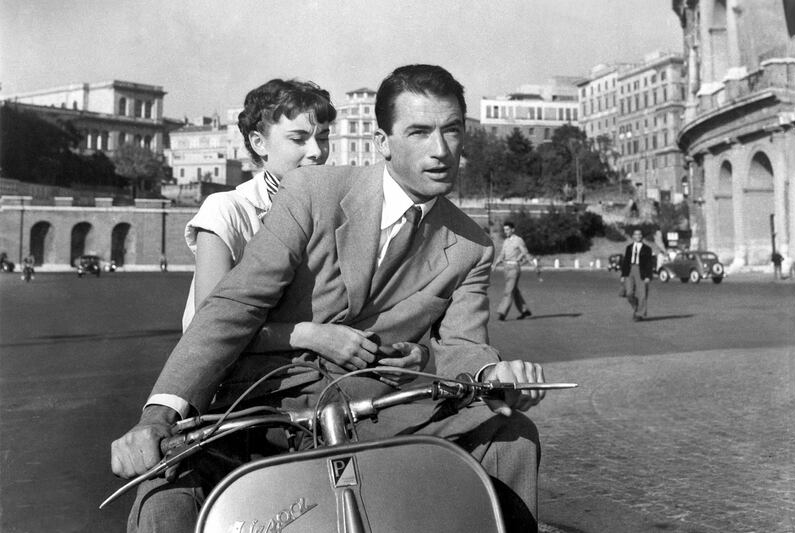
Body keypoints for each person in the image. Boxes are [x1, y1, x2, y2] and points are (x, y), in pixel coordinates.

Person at [111, 64, 546, 532]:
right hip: (268, 402)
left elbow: (463, 343)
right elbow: (234, 306)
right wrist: (159, 415)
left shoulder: (472, 245)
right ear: (383, 143)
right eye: (419, 132)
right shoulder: (313, 191)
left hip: (381, 410)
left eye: (452, 131)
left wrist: (491, 371)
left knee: (510, 436)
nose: (440, 150)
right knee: (167, 487)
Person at [181, 79, 419, 375]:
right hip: (231, 389)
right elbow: (208, 328)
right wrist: (312, 336)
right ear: (259, 143)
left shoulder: (339, 208)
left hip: (313, 383)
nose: (317, 152)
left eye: (323, 138)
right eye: (298, 139)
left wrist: (403, 349)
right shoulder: (227, 209)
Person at [492, 221, 534, 321]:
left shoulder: (518, 240)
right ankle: (524, 310)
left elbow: (525, 252)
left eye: (507, 229)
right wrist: (496, 263)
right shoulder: (506, 241)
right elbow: (502, 254)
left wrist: (531, 262)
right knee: (514, 291)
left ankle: (502, 313)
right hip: (506, 268)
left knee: (508, 291)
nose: (505, 231)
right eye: (504, 230)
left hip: (514, 269)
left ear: (512, 229)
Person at [620, 228, 653, 321]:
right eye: (636, 234)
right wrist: (623, 275)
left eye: (640, 234)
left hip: (641, 271)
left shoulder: (647, 249)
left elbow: (649, 263)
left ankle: (639, 314)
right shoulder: (629, 247)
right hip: (629, 270)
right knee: (629, 293)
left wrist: (648, 276)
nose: (638, 236)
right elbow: (625, 262)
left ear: (642, 236)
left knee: (642, 293)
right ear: (633, 236)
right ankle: (636, 306)